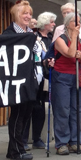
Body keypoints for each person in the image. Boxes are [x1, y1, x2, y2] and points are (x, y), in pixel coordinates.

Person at [2, 0, 43, 160]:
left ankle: (18, 147)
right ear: (16, 15)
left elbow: (37, 55)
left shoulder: (31, 34)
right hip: (16, 80)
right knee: (18, 114)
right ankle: (14, 150)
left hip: (31, 79)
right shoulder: (9, 34)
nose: (28, 16)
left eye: (30, 14)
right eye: (24, 13)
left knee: (26, 114)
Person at [52, 14, 81, 155]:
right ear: (67, 24)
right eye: (75, 22)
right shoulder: (60, 40)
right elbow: (70, 53)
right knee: (63, 109)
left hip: (76, 77)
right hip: (62, 77)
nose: (78, 25)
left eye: (80, 22)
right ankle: (61, 143)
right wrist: (74, 36)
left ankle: (75, 141)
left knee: (76, 110)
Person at [23, 12, 57, 150]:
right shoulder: (33, 37)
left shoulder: (51, 38)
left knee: (41, 108)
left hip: (46, 77)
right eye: (52, 22)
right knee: (30, 107)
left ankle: (37, 138)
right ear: (45, 23)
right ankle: (24, 139)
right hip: (33, 76)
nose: (54, 24)